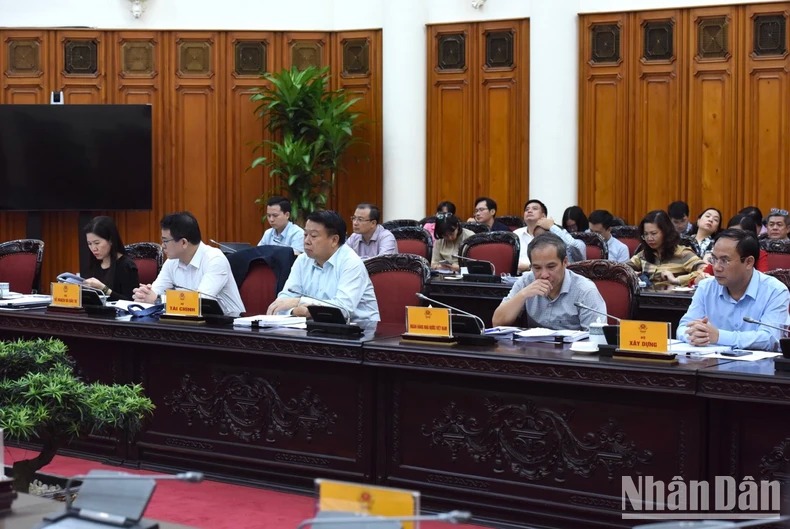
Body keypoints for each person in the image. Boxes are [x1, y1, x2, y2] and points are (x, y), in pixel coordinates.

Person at [677, 229, 790, 351]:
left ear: (748, 262)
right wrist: (695, 335)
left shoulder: (775, 291)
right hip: (711, 361)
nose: (716, 267)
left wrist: (719, 336)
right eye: (713, 259)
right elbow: (683, 327)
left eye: (724, 260)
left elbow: (771, 338)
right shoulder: (706, 287)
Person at [267, 210, 380, 324]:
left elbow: (343, 309)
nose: (306, 241)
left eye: (313, 236)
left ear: (334, 240)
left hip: (361, 329)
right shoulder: (302, 260)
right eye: (305, 234)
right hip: (315, 326)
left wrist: (298, 302)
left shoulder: (351, 263)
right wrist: (294, 311)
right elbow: (283, 301)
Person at [133, 212, 245, 317]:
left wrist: (157, 300)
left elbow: (201, 302)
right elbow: (155, 292)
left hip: (230, 325)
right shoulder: (172, 262)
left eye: (165, 241)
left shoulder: (215, 259)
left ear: (184, 242)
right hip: (191, 323)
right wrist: (144, 295)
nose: (162, 246)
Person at [492, 233, 606, 330]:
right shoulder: (526, 282)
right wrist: (523, 295)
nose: (544, 275)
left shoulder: (585, 290)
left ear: (565, 262)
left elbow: (597, 338)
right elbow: (497, 322)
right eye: (537, 268)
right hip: (533, 348)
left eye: (551, 267)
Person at [627, 210, 705, 286]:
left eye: (653, 233)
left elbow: (705, 270)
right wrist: (630, 274)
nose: (649, 238)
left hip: (673, 294)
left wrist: (677, 280)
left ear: (666, 232)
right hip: (647, 294)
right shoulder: (644, 254)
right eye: (646, 234)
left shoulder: (683, 253)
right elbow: (622, 268)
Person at [81, 216, 139, 301]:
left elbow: (131, 301)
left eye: (97, 243)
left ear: (111, 240)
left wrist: (104, 289)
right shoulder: (93, 263)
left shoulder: (126, 266)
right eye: (89, 244)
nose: (93, 248)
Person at [512, 199, 548, 273]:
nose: (529, 211)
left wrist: (529, 267)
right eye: (527, 209)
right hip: (517, 276)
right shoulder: (516, 234)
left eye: (534, 209)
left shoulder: (551, 236)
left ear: (543, 216)